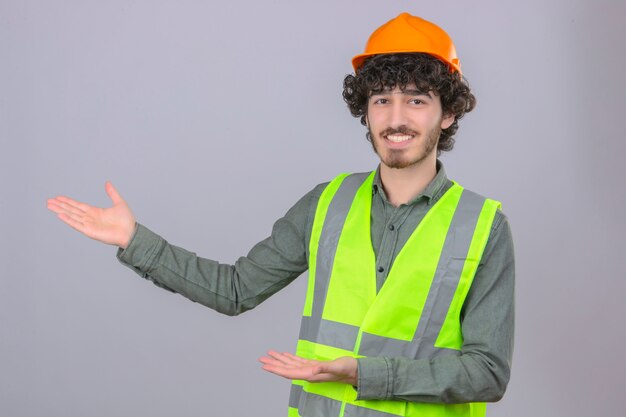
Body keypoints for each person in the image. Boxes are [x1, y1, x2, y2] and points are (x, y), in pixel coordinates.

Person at [47, 12, 514, 417]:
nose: (396, 118)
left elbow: (487, 372)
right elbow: (234, 290)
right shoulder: (326, 203)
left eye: (416, 99)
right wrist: (134, 239)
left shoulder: (483, 226)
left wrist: (363, 374)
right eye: (381, 100)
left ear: (447, 113)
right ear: (365, 112)